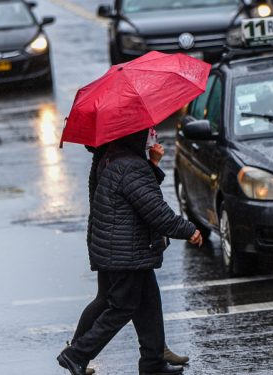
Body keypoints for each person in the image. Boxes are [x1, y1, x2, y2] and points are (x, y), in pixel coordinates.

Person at [58, 129, 203, 375]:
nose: (152, 134)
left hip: (117, 246)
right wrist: (187, 229)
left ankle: (153, 363)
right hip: (125, 250)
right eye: (147, 131)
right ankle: (76, 354)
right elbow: (153, 208)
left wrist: (152, 165)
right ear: (132, 133)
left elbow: (135, 195)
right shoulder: (130, 164)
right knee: (121, 306)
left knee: (148, 304)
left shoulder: (111, 155)